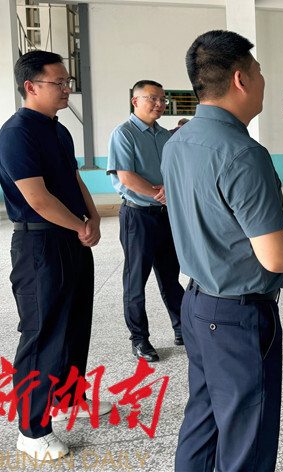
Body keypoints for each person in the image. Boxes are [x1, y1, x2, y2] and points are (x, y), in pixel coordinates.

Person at [162, 30, 283, 472]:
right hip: (237, 317)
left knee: (203, 421)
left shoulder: (177, 142)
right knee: (247, 440)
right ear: (241, 79)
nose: (263, 80)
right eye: (259, 72)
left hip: (196, 302)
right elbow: (276, 256)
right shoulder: (243, 153)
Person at [0, 50, 111, 461]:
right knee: (43, 333)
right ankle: (32, 430)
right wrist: (79, 225)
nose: (66, 89)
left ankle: (68, 396)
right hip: (39, 245)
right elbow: (38, 199)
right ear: (31, 86)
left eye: (67, 82)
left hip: (70, 238)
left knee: (75, 323)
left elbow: (74, 179)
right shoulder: (17, 133)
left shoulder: (58, 130)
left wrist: (93, 217)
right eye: (58, 83)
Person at [107, 80, 184, 362]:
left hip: (166, 216)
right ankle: (139, 339)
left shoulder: (165, 135)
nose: (159, 104)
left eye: (163, 99)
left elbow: (174, 171)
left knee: (171, 277)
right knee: (136, 281)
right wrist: (158, 193)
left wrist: (170, 192)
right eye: (153, 98)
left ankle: (183, 329)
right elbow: (126, 177)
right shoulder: (123, 133)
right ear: (135, 101)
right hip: (137, 216)